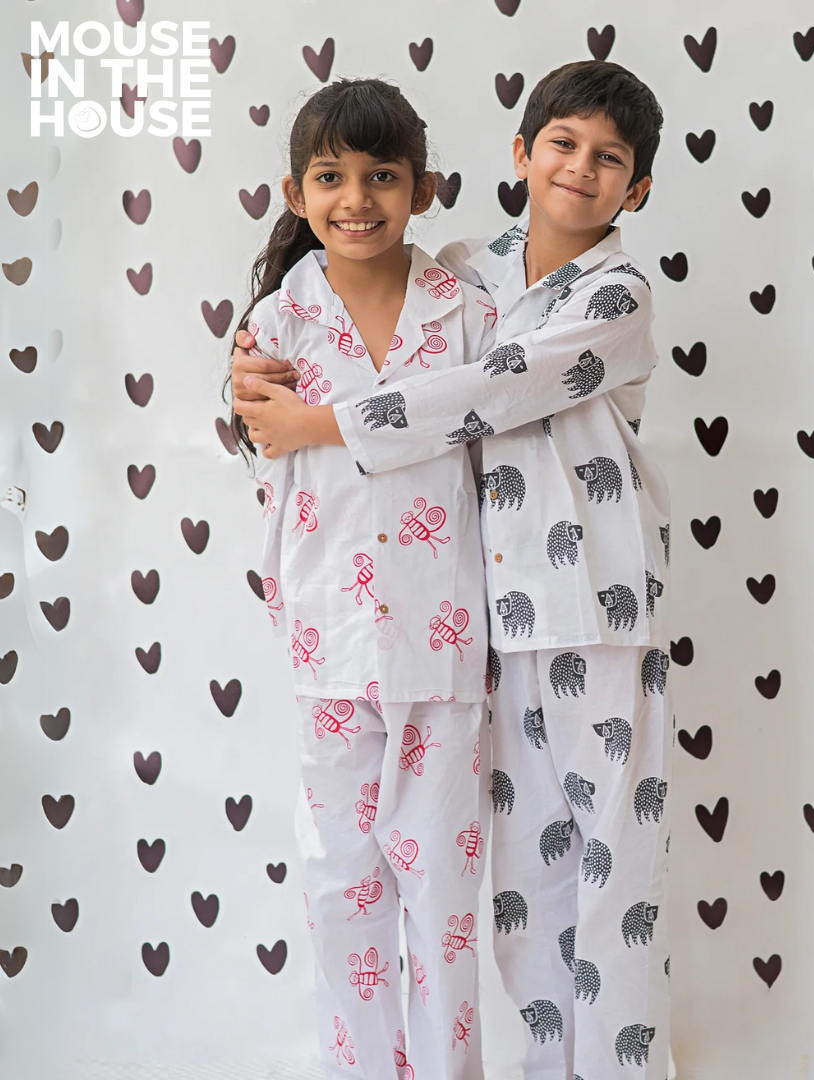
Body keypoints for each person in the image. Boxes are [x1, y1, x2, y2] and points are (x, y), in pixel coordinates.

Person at [234, 61, 673, 1080]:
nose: (581, 167)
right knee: (525, 884)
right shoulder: (476, 272)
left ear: (638, 187)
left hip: (594, 605)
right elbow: (300, 377)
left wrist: (318, 422)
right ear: (520, 156)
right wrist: (249, 381)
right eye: (562, 143)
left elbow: (490, 391)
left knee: (612, 871)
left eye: (608, 157)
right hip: (494, 622)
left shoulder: (609, 295)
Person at [228, 76, 494, 1080]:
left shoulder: (467, 315)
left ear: (422, 190)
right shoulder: (279, 323)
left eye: (383, 176)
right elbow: (265, 451)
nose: (357, 198)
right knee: (342, 887)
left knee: (443, 903)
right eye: (331, 177)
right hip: (329, 639)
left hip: (445, 643)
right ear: (297, 194)